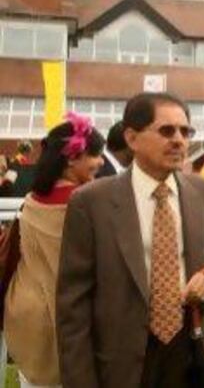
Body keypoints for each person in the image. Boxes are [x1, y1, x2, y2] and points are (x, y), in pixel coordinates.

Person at [56, 92, 204, 388]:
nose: (179, 140)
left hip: (186, 355)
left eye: (185, 131)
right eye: (166, 130)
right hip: (120, 364)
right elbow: (73, 307)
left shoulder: (203, 193)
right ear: (132, 138)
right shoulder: (91, 202)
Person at [4, 113, 104, 388]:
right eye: (95, 154)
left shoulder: (30, 201)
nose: (102, 161)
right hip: (73, 327)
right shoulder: (91, 205)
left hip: (26, 317)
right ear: (72, 158)